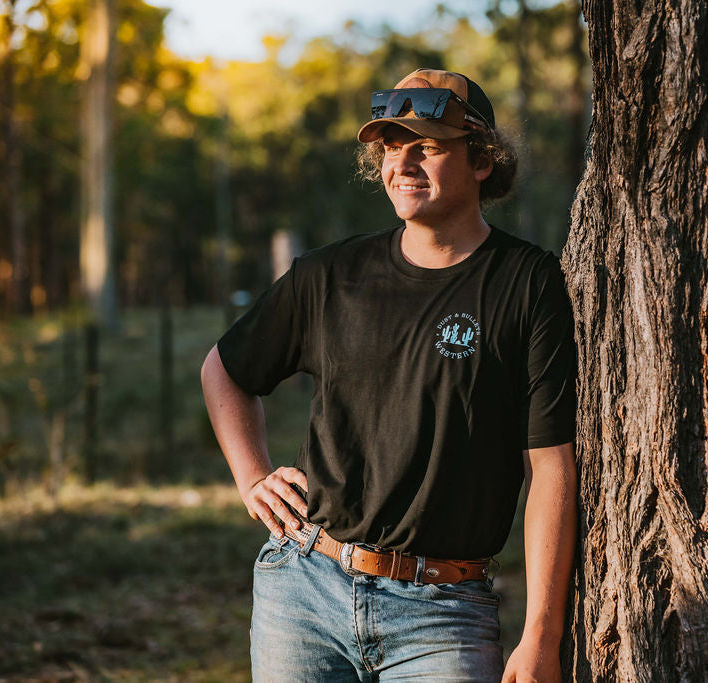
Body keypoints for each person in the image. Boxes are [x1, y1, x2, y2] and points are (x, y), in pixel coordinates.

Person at [201, 68, 576, 682]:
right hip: (303, 590)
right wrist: (252, 478)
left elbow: (552, 466)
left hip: (443, 615)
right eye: (391, 147)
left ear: (481, 160)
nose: (402, 163)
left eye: (425, 146)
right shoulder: (328, 276)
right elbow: (225, 369)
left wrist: (542, 636)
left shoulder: (528, 284)